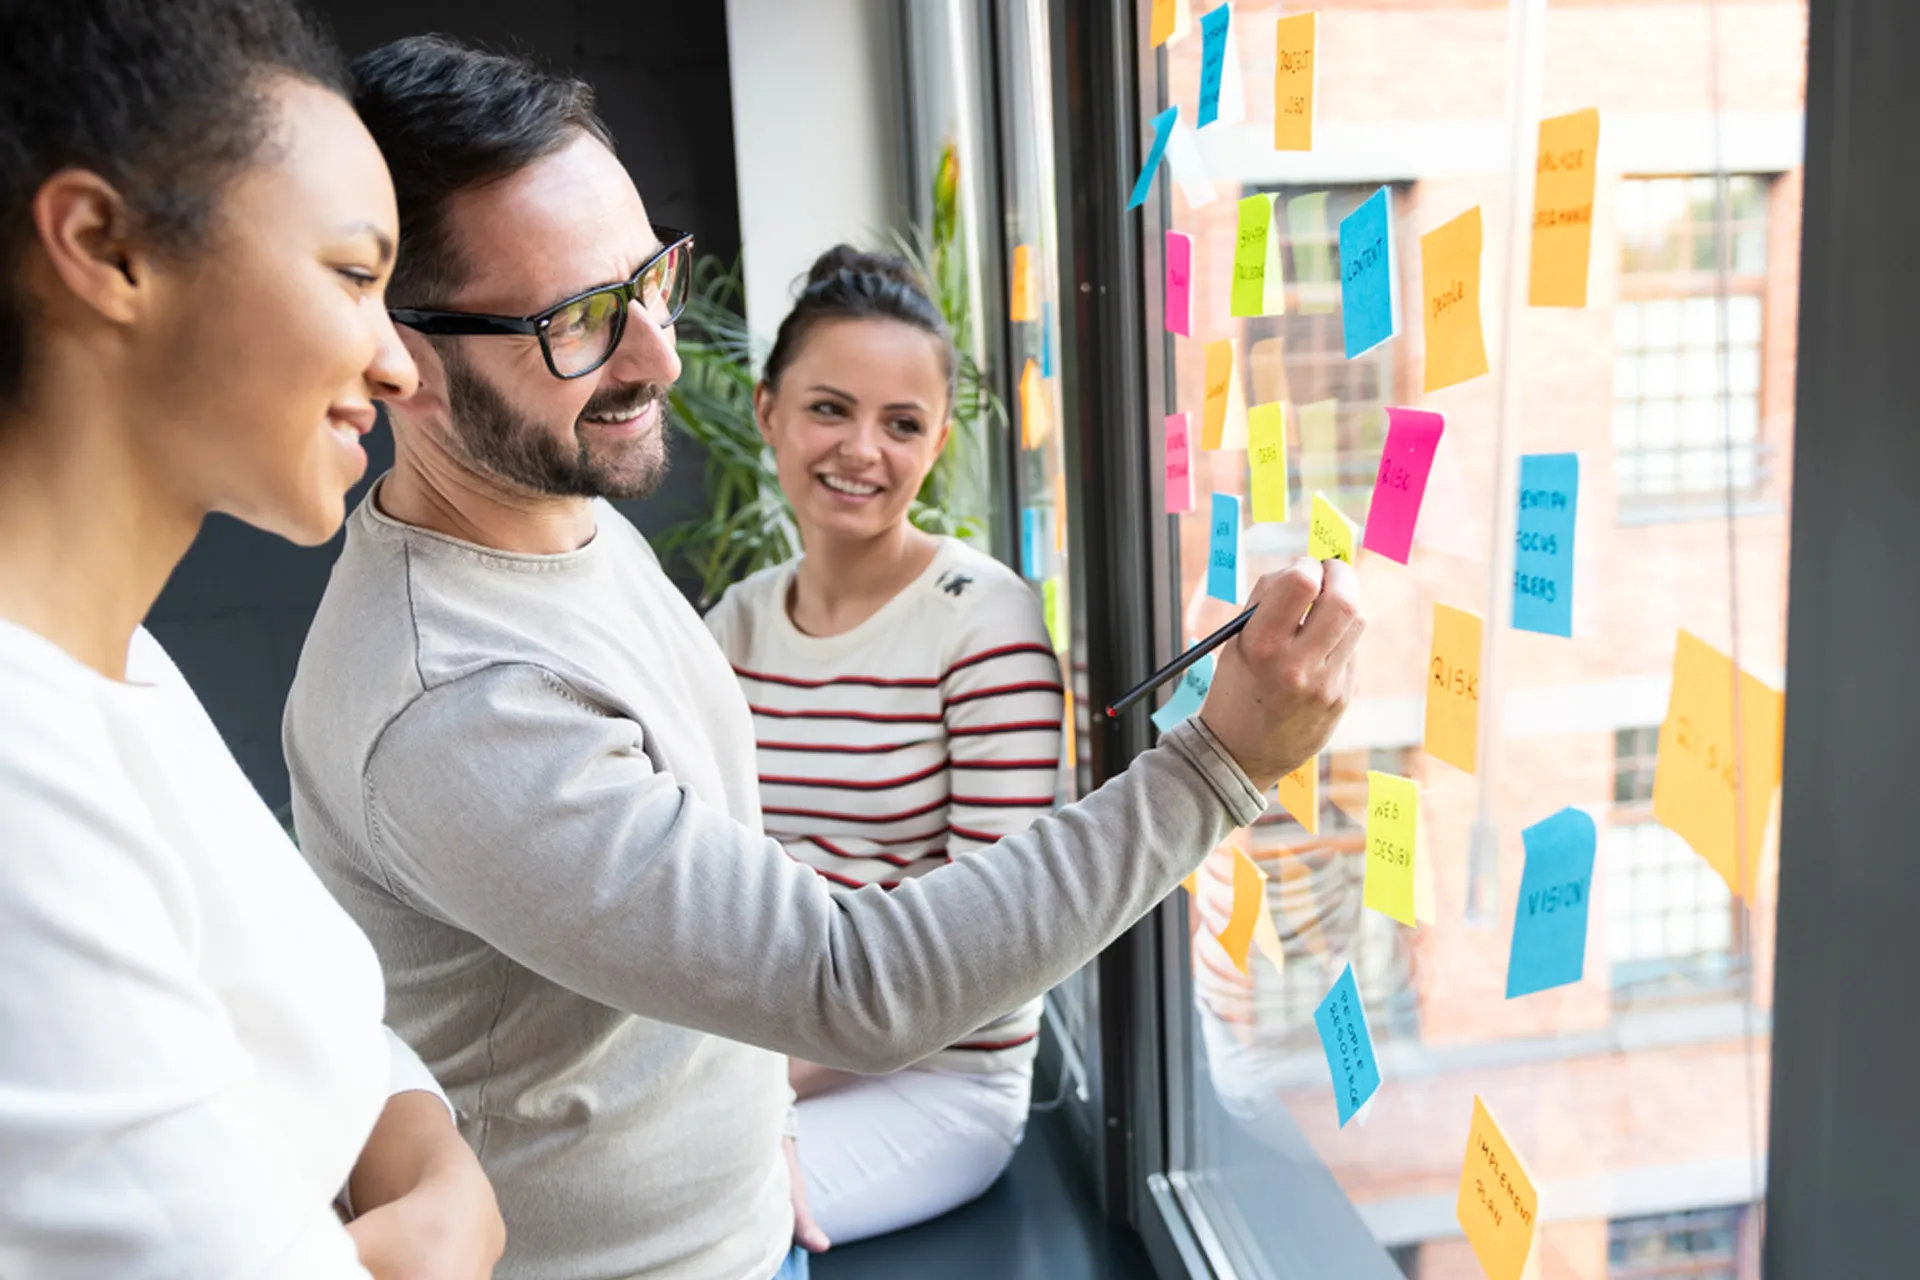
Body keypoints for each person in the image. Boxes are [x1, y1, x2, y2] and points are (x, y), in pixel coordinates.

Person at [283, 34, 1365, 1280]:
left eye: (648, 279)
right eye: (580, 322)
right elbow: (845, 976)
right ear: (399, 355)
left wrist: (762, 1123)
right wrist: (1225, 763)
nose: (659, 355)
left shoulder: (561, 523)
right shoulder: (461, 697)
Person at [0, 2, 503, 1276]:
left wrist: (424, 1144)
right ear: (105, 247)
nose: (399, 363)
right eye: (354, 273)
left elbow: (313, 1025)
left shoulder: (120, 660)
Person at [702, 247, 1063, 1244]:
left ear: (937, 440)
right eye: (829, 408)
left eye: (902, 424)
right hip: (753, 1052)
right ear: (769, 410)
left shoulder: (984, 623)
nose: (862, 447)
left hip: (933, 1079)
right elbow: (692, 881)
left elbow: (989, 947)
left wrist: (747, 1091)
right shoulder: (732, 625)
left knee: (687, 1221)